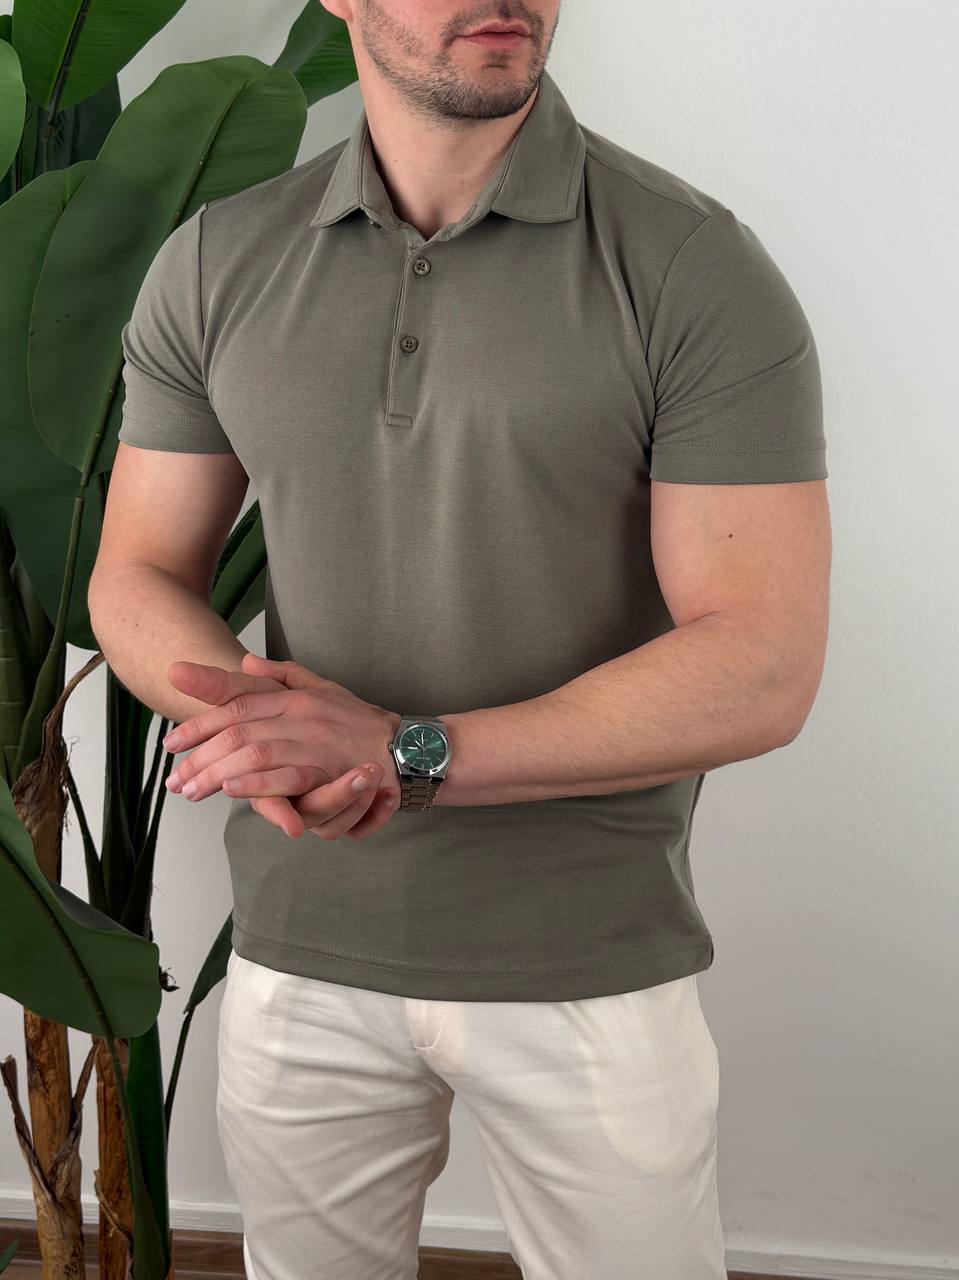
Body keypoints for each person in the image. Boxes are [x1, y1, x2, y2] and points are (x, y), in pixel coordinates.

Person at [90, 1, 832, 1276]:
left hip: (586, 961)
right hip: (301, 947)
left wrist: (399, 750)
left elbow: (760, 662)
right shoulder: (217, 261)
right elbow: (139, 571)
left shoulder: (688, 265)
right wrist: (256, 734)